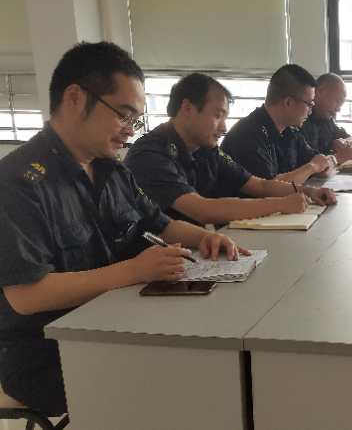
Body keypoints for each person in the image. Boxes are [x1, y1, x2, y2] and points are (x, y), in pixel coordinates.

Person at [0, 42, 247, 416]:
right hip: (48, 353)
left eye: (136, 121)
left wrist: (205, 237)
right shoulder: (17, 183)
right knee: (192, 383)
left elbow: (160, 224)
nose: (130, 132)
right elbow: (27, 296)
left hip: (120, 322)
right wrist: (133, 271)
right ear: (75, 98)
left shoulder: (112, 170)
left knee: (217, 355)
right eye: (124, 115)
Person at [125, 73, 335, 226]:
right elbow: (203, 210)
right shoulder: (150, 154)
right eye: (218, 116)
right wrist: (281, 204)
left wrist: (309, 192)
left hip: (202, 245)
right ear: (187, 108)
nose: (224, 128)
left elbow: (260, 185)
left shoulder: (205, 149)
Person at [221, 64, 335, 183]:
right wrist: (312, 167)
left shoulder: (289, 131)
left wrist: (322, 166)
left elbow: (319, 161)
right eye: (309, 104)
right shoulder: (247, 136)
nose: (310, 111)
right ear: (288, 103)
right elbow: (267, 187)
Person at [300, 73, 352, 164]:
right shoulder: (299, 119)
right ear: (320, 92)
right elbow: (310, 164)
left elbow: (350, 139)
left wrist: (345, 143)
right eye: (337, 101)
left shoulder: (326, 119)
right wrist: (337, 158)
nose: (338, 109)